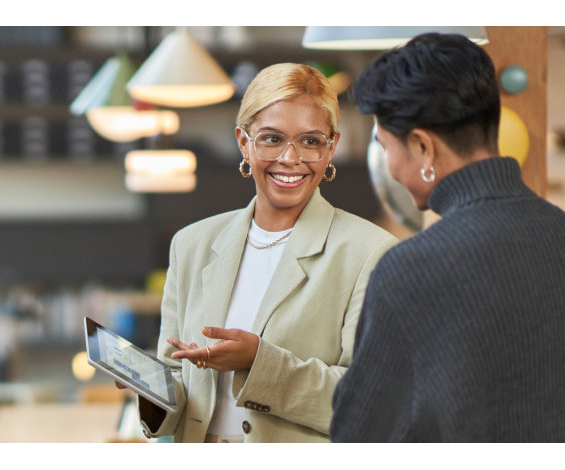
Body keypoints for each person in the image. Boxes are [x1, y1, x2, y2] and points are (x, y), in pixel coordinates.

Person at [330, 33, 565, 442]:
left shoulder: (411, 269)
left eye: (385, 147)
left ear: (423, 147)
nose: (390, 168)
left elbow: (359, 436)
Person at [121, 63, 398, 443]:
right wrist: (147, 389)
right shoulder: (192, 245)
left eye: (311, 141)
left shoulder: (370, 252)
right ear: (243, 141)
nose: (290, 158)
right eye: (271, 139)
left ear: (331, 146)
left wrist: (258, 363)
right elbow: (177, 386)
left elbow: (370, 401)